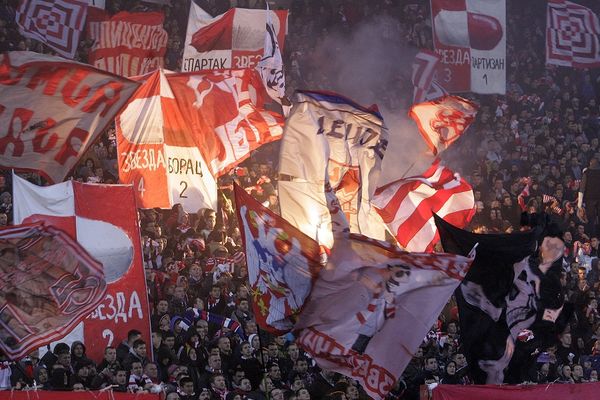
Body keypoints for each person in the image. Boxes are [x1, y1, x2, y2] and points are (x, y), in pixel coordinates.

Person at [579, 158, 600, 237]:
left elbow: (582, 188)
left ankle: (593, 236)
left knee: (591, 219)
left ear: (590, 163)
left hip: (590, 199)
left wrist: (579, 204)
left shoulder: (586, 173)